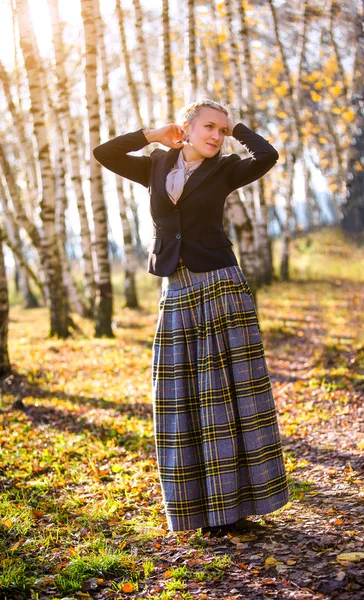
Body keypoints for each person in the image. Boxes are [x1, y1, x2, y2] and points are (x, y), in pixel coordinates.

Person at [93, 98, 289, 537]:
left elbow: (269, 156)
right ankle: (199, 510)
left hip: (221, 285)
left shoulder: (227, 169)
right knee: (181, 394)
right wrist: (151, 135)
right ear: (187, 127)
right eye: (209, 126)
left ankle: (236, 509)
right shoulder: (156, 165)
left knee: (226, 394)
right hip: (176, 287)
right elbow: (104, 153)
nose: (216, 136)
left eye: (221, 129)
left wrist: (237, 126)